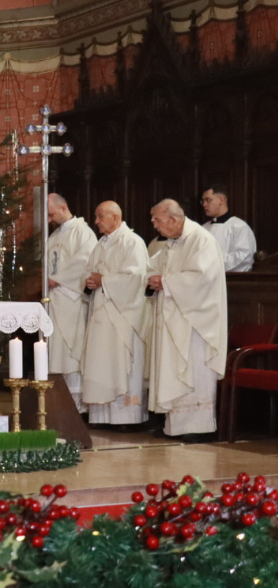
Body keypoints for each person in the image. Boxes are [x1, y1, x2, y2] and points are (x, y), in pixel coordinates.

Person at [147, 199, 228, 440]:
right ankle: (175, 426)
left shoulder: (201, 240)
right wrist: (151, 278)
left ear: (173, 219)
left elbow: (203, 279)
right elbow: (153, 267)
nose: (154, 225)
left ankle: (198, 427)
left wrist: (166, 283)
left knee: (194, 370)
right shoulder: (173, 243)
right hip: (176, 318)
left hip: (197, 322)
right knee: (174, 370)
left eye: (157, 220)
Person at [80, 201, 151, 427]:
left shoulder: (132, 242)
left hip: (123, 316)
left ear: (115, 217)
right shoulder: (100, 244)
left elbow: (136, 278)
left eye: (100, 216)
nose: (96, 222)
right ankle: (102, 415)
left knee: (121, 363)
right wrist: (89, 282)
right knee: (101, 363)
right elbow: (87, 272)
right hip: (101, 315)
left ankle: (126, 418)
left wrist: (105, 281)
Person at [45, 193, 97, 411]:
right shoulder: (54, 236)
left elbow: (86, 262)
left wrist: (57, 280)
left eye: (51, 214)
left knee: (71, 352)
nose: (49, 220)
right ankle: (59, 403)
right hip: (53, 301)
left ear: (64, 207)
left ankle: (77, 407)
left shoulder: (83, 232)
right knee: (55, 352)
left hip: (71, 301)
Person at [201, 184, 257, 272]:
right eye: (203, 201)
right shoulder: (202, 229)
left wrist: (211, 264)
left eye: (208, 200)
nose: (204, 205)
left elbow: (243, 257)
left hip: (231, 281)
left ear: (222, 200)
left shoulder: (239, 227)